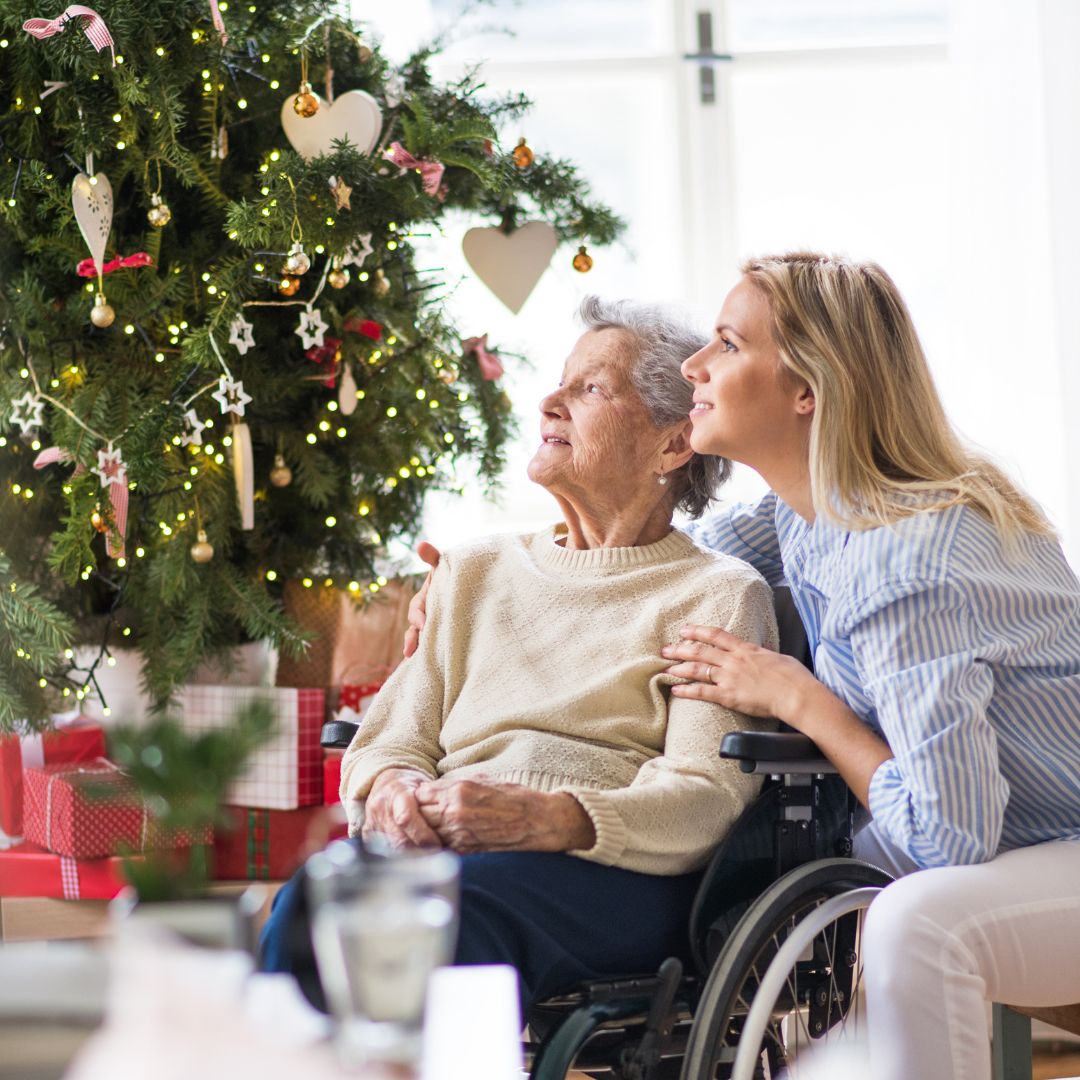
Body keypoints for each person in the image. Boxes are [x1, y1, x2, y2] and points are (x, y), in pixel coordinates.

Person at [410, 253, 1080, 1079]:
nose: (696, 364)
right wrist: (482, 584)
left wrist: (803, 701)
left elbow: (948, 837)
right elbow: (654, 570)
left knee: (916, 921)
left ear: (808, 391)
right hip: (999, 838)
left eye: (726, 343)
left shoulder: (909, 562)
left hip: (1054, 842)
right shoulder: (809, 513)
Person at [259, 296, 778, 1011]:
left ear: (671, 444)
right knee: (310, 901)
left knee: (433, 920)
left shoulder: (715, 595)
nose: (549, 402)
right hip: (451, 852)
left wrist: (553, 817)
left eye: (591, 388)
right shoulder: (472, 570)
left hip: (612, 874)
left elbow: (705, 796)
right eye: (561, 382)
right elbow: (390, 742)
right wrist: (391, 796)